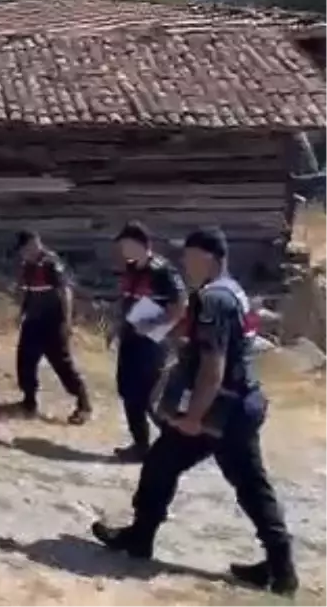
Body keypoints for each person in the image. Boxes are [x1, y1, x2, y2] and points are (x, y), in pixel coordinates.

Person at [91, 227, 297, 597]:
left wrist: (193, 416)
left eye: (188, 255)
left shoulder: (213, 299)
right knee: (163, 463)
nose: (184, 262)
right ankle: (141, 536)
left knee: (247, 484)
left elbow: (213, 366)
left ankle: (281, 569)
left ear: (207, 257)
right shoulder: (231, 291)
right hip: (234, 404)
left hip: (223, 410)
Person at [112, 221, 188, 462]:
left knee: (148, 396)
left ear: (141, 244)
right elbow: (125, 301)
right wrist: (115, 327)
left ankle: (177, 443)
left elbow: (180, 306)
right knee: (127, 391)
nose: (123, 250)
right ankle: (140, 445)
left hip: (151, 344)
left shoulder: (163, 271)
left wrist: (155, 326)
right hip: (130, 337)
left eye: (127, 245)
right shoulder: (131, 268)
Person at [14, 230, 91, 424]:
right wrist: (22, 313)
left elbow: (65, 292)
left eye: (25, 248)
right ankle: (29, 401)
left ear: (34, 243)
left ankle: (83, 404)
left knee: (62, 364)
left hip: (52, 323)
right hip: (33, 321)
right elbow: (28, 292)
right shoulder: (28, 266)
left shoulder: (51, 263)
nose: (24, 253)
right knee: (25, 361)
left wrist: (67, 321)